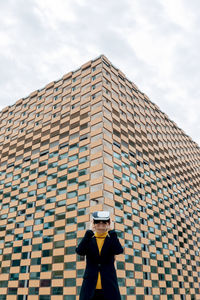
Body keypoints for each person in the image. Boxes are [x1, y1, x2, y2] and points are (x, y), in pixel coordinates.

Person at [76, 211, 123, 300]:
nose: (101, 224)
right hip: (90, 287)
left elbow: (118, 250)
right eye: (97, 221)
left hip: (109, 287)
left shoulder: (111, 239)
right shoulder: (89, 239)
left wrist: (111, 231)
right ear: (93, 223)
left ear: (108, 223)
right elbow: (80, 251)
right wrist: (89, 231)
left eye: (104, 221)